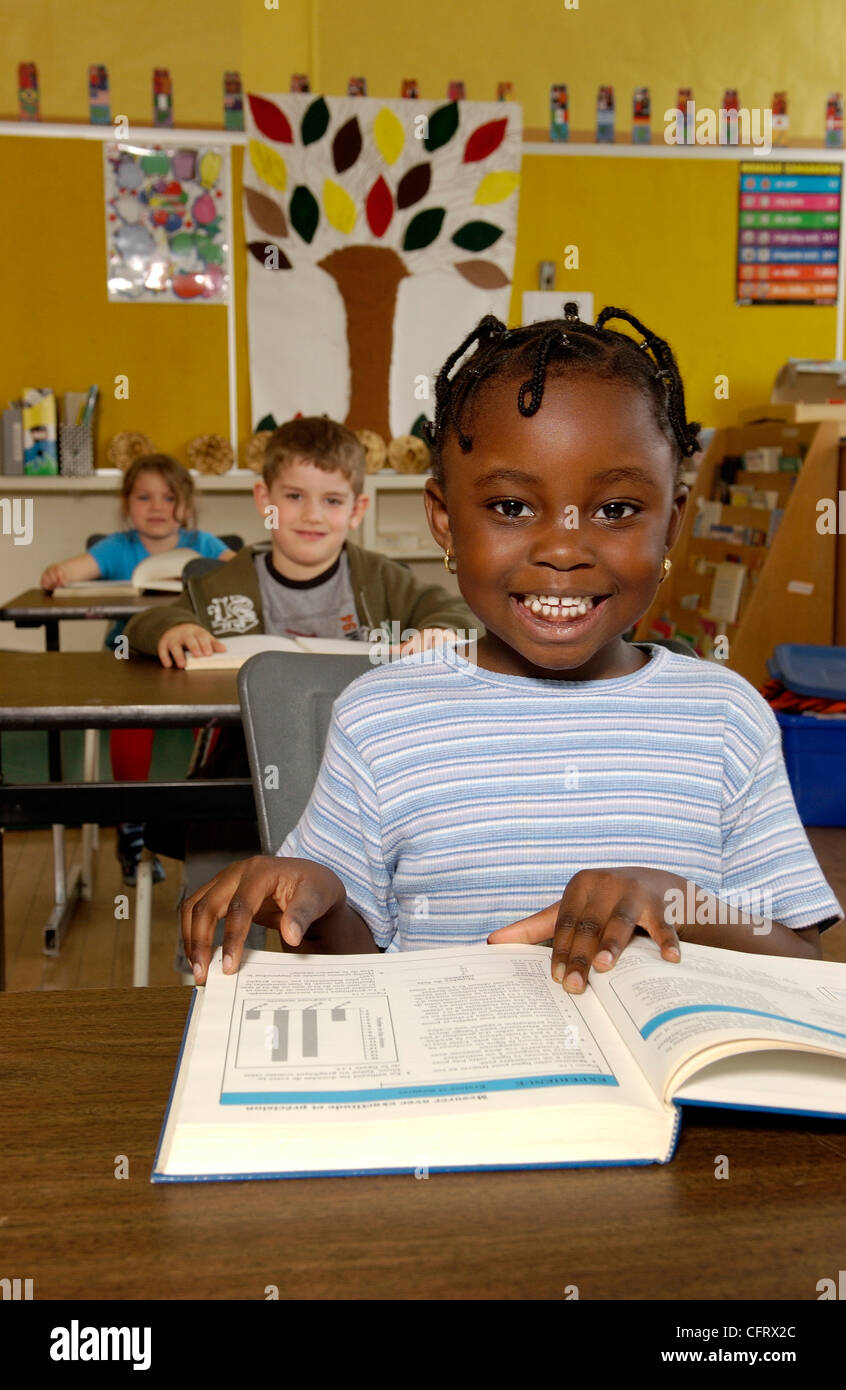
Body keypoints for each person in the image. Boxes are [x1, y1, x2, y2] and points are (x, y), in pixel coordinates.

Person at [180, 305, 842, 989]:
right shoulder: (381, 717)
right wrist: (316, 900)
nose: (562, 549)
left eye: (616, 510)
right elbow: (356, 974)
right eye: (511, 508)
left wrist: (667, 896)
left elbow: (802, 963)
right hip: (452, 1086)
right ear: (444, 520)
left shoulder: (725, 717)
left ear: (670, 524)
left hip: (675, 1094)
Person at [124, 415, 476, 975]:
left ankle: (336, 966)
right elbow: (151, 620)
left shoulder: (385, 578)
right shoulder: (221, 582)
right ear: (265, 499)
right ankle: (209, 970)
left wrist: (438, 631)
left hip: (358, 773)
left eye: (332, 500)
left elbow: (450, 609)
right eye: (294, 496)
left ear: (357, 509)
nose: (313, 515)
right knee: (218, 840)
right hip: (243, 769)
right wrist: (169, 630)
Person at [40, 453, 235, 883]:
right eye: (144, 497)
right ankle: (131, 819)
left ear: (186, 505)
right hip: (129, 657)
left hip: (189, 656)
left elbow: (239, 577)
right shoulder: (117, 546)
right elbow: (74, 571)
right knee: (130, 720)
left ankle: (203, 811)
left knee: (218, 718)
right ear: (127, 504)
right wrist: (59, 574)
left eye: (169, 497)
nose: (157, 506)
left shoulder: (201, 544)